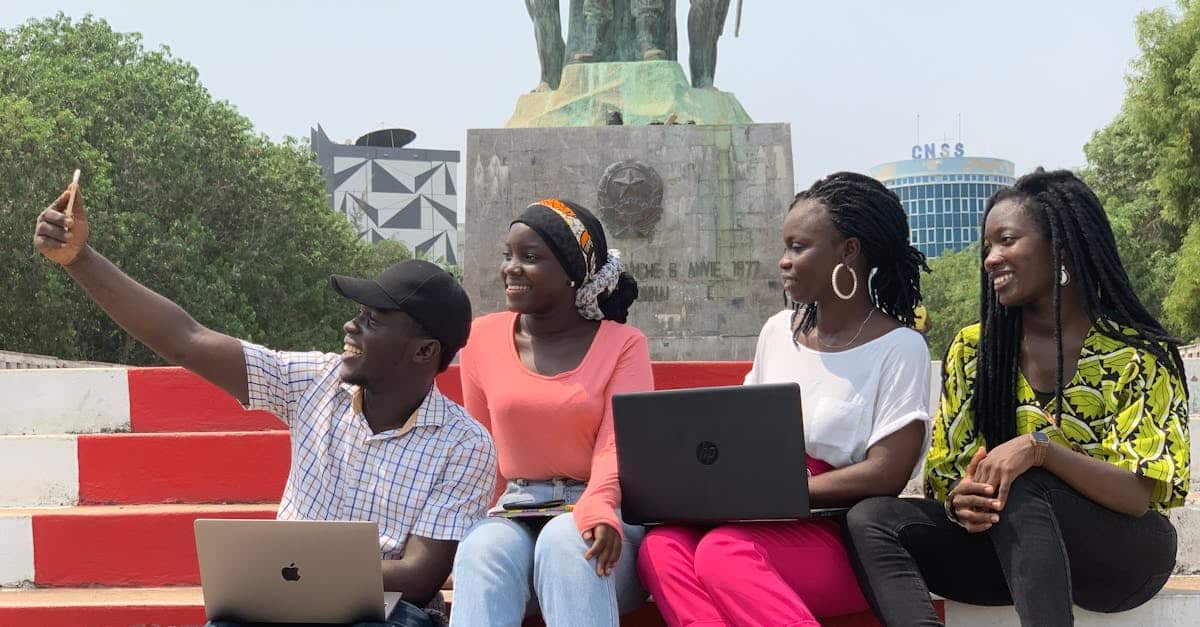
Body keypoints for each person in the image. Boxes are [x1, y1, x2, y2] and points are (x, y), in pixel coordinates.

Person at [33, 178, 497, 627]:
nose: (352, 327)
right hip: (283, 598)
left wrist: (295, 567)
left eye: (374, 320)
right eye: (358, 314)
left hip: (386, 612)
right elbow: (186, 340)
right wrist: (80, 259)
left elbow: (419, 576)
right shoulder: (314, 381)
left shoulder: (464, 444)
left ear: (423, 351)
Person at [844, 169, 1191, 627]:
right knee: (872, 518)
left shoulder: (1137, 355)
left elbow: (1135, 494)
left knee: (1022, 478)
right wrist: (962, 502)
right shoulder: (974, 350)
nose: (990, 258)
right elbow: (947, 476)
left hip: (1120, 557)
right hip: (1012, 552)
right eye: (987, 247)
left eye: (1007, 241)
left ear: (1060, 247)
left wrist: (1038, 451)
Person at [636, 172, 933, 626]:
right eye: (785, 247)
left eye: (799, 247)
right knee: (662, 548)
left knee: (722, 553)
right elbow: (740, 431)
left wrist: (780, 492)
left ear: (848, 252)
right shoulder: (778, 331)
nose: (784, 261)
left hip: (840, 530)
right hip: (759, 513)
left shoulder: (900, 347)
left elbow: (886, 473)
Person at [449, 198, 652, 626]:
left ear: (572, 276)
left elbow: (618, 444)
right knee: (482, 549)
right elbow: (483, 448)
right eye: (508, 255)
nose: (511, 268)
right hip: (515, 511)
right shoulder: (481, 339)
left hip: (603, 515)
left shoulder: (624, 344)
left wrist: (597, 506)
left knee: (566, 538)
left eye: (531, 257)